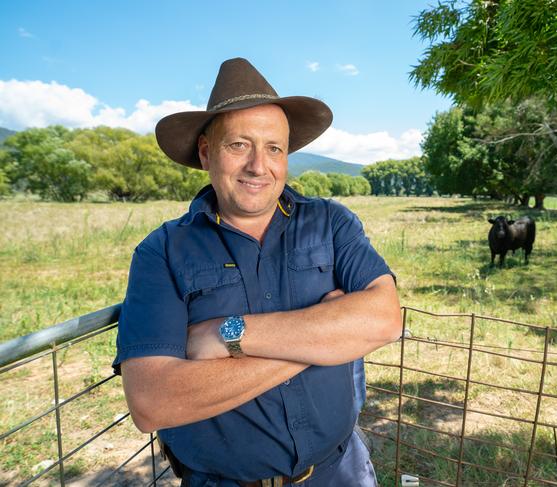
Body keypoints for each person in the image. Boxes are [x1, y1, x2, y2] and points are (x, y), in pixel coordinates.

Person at [113, 57, 401, 487]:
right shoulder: (163, 251)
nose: (257, 166)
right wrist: (324, 337)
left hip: (339, 472)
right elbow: (153, 401)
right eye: (238, 145)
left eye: (273, 148)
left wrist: (228, 334)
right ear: (207, 152)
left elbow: (384, 319)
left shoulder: (330, 222)